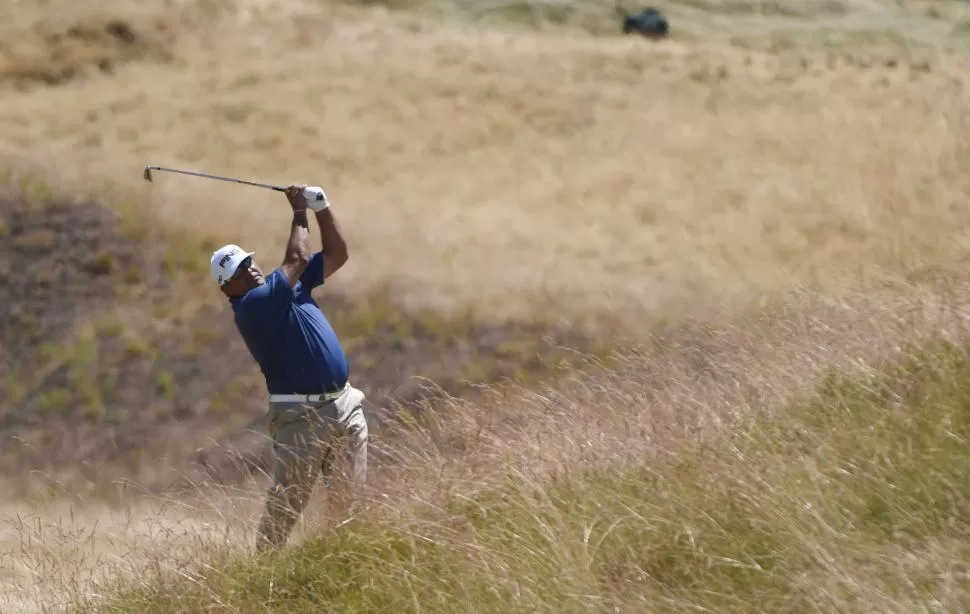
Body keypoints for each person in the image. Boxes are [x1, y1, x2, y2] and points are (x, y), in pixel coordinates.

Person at [208, 184, 369, 554]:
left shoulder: (288, 288)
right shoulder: (254, 305)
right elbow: (297, 258)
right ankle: (263, 580)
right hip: (301, 416)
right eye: (239, 269)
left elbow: (338, 254)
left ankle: (346, 564)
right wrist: (299, 211)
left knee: (351, 502)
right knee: (287, 506)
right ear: (227, 287)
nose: (251, 269)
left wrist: (322, 207)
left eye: (249, 261)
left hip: (344, 405)